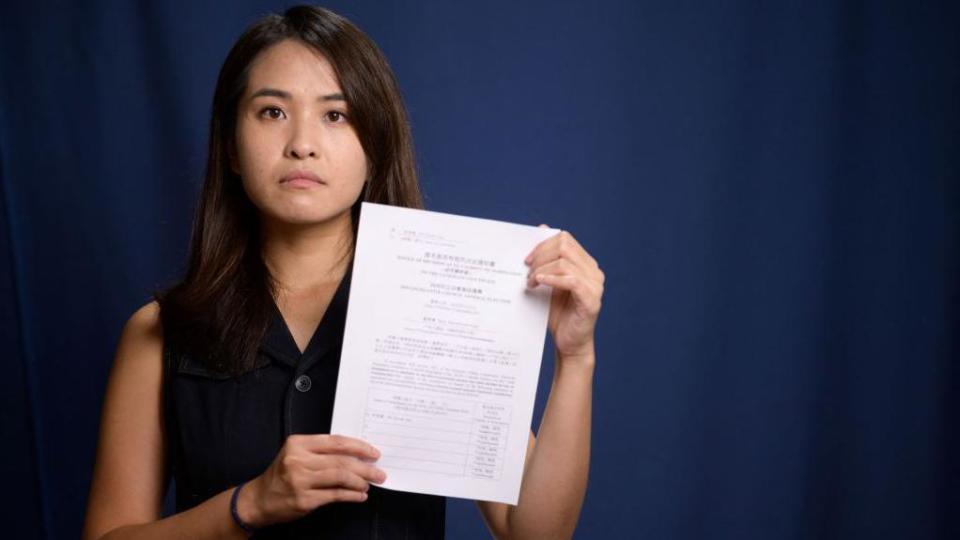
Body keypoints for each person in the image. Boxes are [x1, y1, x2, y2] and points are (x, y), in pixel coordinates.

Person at [82, 5, 604, 539]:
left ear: (375, 144)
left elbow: (534, 533)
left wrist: (575, 358)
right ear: (231, 146)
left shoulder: (440, 308)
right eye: (271, 112)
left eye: (336, 115)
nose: (302, 144)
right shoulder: (158, 331)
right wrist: (248, 505)